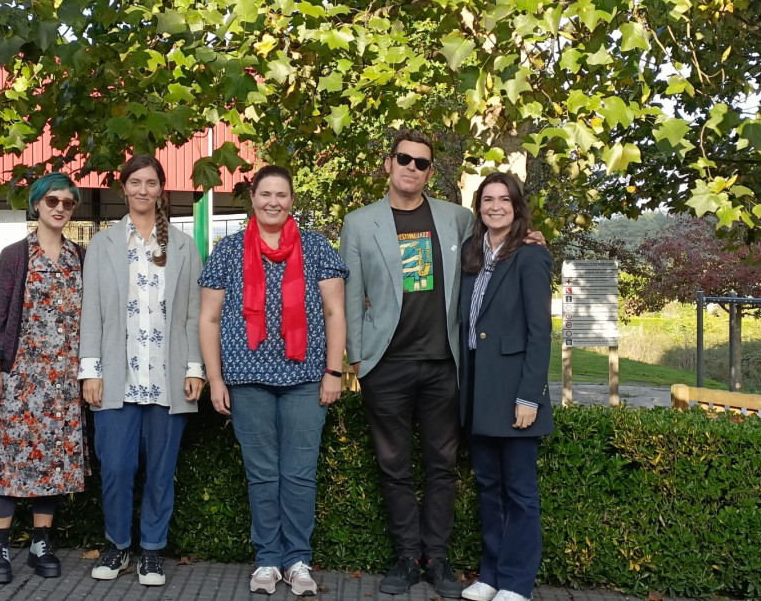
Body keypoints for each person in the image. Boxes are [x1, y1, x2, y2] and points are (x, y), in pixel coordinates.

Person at [198, 165, 348, 597]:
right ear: (253, 198)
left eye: (281, 194)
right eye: (265, 194)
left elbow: (336, 313)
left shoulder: (318, 248)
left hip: (304, 377)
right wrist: (215, 377)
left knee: (299, 473)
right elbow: (208, 319)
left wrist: (334, 371)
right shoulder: (227, 251)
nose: (273, 202)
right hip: (246, 379)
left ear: (292, 201)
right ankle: (267, 559)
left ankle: (297, 559)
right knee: (262, 474)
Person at [339, 129, 470, 598]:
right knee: (393, 466)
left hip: (443, 365)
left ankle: (437, 560)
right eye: (404, 159)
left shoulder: (457, 219)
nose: (412, 167)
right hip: (386, 365)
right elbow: (350, 297)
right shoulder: (358, 224)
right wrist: (357, 358)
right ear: (388, 164)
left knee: (441, 464)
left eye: (421, 162)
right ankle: (406, 557)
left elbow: (498, 247)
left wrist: (528, 234)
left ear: (431, 172)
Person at [78, 154, 204, 587]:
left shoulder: (184, 246)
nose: (143, 190)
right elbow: (90, 314)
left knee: (160, 470)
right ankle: (117, 545)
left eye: (151, 183)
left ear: (160, 189)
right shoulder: (103, 244)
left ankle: (151, 551)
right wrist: (90, 371)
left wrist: (195, 369)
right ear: (124, 189)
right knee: (114, 466)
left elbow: (192, 315)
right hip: (116, 379)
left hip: (167, 380)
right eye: (135, 182)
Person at [0, 171, 87, 585]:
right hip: (19, 379)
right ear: (37, 204)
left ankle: (41, 543)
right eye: (52, 201)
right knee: (6, 460)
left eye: (68, 203)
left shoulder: (81, 257)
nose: (59, 208)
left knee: (51, 463)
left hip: (62, 382)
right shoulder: (15, 256)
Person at [458, 172, 553, 601]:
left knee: (519, 492)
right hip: (477, 387)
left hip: (515, 391)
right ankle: (491, 575)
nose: (495, 207)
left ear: (516, 205)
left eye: (503, 200)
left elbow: (540, 333)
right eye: (487, 200)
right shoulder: (472, 253)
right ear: (479, 207)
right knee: (488, 487)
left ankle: (517, 583)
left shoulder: (531, 255)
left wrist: (529, 396)